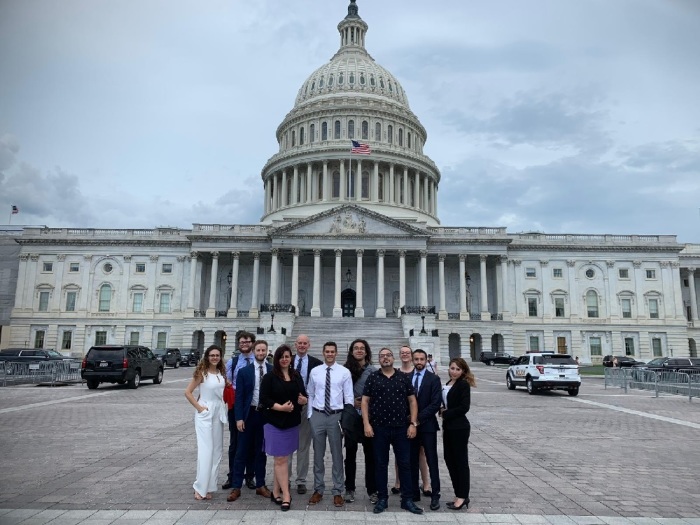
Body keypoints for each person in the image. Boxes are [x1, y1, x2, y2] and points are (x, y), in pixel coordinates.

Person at [361, 347, 423, 515]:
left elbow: (412, 401)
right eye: (382, 356)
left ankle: (407, 499)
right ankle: (382, 498)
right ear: (378, 360)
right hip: (379, 428)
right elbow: (365, 402)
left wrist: (413, 424)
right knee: (380, 465)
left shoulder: (403, 377)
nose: (385, 358)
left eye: (388, 355)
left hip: (401, 428)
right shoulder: (373, 377)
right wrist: (366, 424)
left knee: (405, 464)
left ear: (393, 358)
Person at [259, 344, 308, 512]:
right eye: (282, 357)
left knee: (281, 459)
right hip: (274, 422)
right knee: (281, 459)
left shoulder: (296, 375)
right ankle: (286, 495)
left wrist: (303, 400)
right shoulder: (270, 377)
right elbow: (264, 399)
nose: (285, 359)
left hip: (292, 422)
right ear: (277, 359)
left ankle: (275, 491)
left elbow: (302, 395)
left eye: (287, 356)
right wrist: (280, 407)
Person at [307, 341, 354, 507]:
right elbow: (310, 393)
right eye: (327, 351)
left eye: (332, 351)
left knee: (337, 456)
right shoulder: (315, 371)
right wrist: (310, 415)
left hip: (336, 416)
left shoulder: (344, 372)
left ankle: (337, 490)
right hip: (318, 415)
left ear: (336, 353)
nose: (329, 354)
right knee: (318, 455)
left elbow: (348, 398)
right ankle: (318, 489)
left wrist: (345, 420)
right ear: (323, 352)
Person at [226, 340, 273, 502]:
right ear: (254, 351)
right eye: (258, 350)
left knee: (261, 452)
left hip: (264, 416)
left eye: (263, 350)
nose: (261, 353)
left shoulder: (272, 370)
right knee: (241, 451)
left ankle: (261, 484)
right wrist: (239, 418)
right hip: (248, 415)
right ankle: (236, 486)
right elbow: (239, 398)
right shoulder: (244, 371)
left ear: (267, 352)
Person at [185, 345, 229, 501]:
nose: (215, 358)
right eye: (212, 355)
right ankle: (200, 487)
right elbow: (187, 392)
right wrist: (200, 408)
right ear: (207, 357)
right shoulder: (201, 373)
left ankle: (210, 486)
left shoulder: (220, 373)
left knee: (217, 451)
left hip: (218, 413)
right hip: (205, 412)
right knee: (206, 450)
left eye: (217, 355)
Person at [342, 338, 377, 504]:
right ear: (351, 351)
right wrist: (350, 401)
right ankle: (349, 488)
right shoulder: (344, 370)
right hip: (350, 415)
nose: (359, 351)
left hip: (368, 417)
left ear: (367, 351)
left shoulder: (373, 371)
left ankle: (372, 489)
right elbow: (337, 392)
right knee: (350, 454)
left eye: (362, 348)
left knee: (370, 455)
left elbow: (378, 393)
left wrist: (365, 401)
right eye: (356, 348)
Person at [440, 357, 476, 510]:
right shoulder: (448, 383)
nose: (453, 371)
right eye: (452, 368)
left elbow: (464, 407)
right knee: (450, 460)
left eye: (457, 369)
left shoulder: (463, 385)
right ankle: (457, 494)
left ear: (463, 371)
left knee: (460, 462)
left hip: (459, 428)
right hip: (448, 427)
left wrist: (446, 413)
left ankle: (463, 496)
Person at [288, 334, 322, 494]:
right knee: (287, 445)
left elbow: (320, 388)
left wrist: (307, 399)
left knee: (303, 445)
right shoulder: (286, 360)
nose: (302, 346)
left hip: (306, 408)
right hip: (287, 408)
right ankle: (285, 478)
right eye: (299, 343)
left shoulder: (317, 364)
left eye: (305, 343)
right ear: (295, 344)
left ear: (309, 345)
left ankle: (301, 480)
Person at [408, 349, 442, 511]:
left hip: (427, 426)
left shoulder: (434, 379)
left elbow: (436, 404)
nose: (419, 362)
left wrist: (417, 418)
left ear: (426, 360)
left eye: (422, 359)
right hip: (411, 427)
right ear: (412, 360)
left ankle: (435, 494)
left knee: (431, 460)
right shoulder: (406, 378)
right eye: (416, 359)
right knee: (412, 459)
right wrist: (410, 420)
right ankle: (414, 492)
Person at [223, 331, 256, 491]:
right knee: (235, 443)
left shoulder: (258, 361)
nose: (244, 344)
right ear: (238, 344)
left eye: (247, 342)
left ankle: (250, 476)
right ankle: (233, 475)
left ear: (252, 343)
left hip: (253, 407)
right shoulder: (233, 362)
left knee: (251, 443)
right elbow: (227, 382)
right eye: (242, 342)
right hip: (237, 406)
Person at [390, 345, 415, 495]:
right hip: (399, 418)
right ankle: (399, 482)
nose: (405, 354)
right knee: (400, 453)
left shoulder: (417, 372)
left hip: (414, 416)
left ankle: (425, 484)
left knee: (420, 452)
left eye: (407, 352)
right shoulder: (397, 373)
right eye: (402, 353)